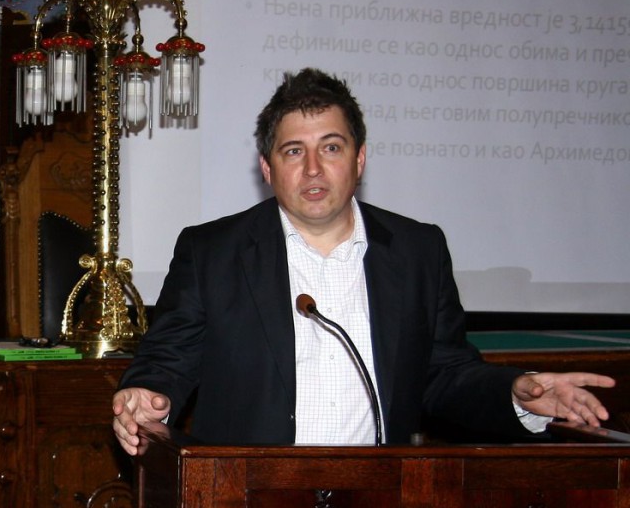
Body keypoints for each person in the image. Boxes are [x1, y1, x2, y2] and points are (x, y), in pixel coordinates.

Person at [113, 68, 614, 455]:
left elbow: (444, 373)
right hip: (245, 499)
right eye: (293, 151)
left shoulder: (417, 251)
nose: (313, 168)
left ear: (359, 159)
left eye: (331, 147)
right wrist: (147, 394)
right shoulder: (212, 252)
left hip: (381, 501)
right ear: (267, 167)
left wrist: (515, 394)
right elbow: (167, 359)